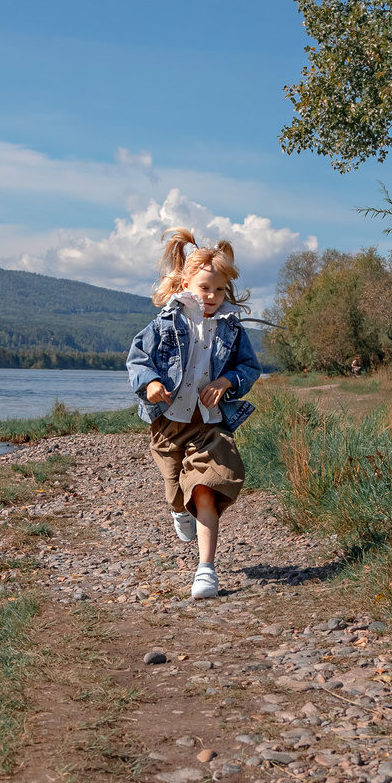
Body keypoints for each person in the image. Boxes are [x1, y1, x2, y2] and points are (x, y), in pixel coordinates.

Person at [126, 228, 264, 601]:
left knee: (206, 487)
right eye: (205, 288)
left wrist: (227, 381)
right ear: (186, 282)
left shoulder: (231, 328)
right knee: (176, 491)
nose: (212, 297)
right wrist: (151, 382)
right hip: (169, 423)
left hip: (210, 423)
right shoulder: (166, 323)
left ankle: (206, 569)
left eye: (219, 290)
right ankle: (179, 510)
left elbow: (250, 368)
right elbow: (137, 358)